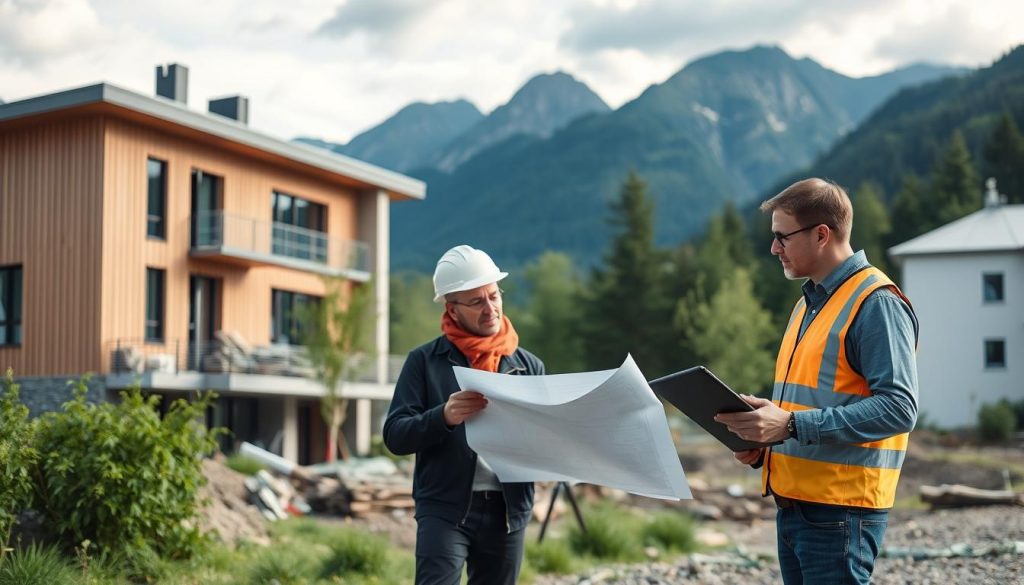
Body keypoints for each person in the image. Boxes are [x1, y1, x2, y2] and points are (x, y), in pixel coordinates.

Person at [714, 178, 918, 584]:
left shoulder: (876, 303)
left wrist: (789, 425)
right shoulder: (808, 304)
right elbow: (811, 401)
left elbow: (899, 407)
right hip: (796, 508)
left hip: (840, 513)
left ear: (822, 234)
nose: (774, 248)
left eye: (781, 237)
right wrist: (763, 440)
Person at [383, 244, 545, 585]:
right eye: (476, 301)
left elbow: (543, 441)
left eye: (493, 296)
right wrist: (443, 416)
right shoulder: (423, 361)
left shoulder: (530, 366)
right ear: (452, 310)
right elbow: (395, 435)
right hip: (444, 509)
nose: (490, 308)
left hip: (508, 511)